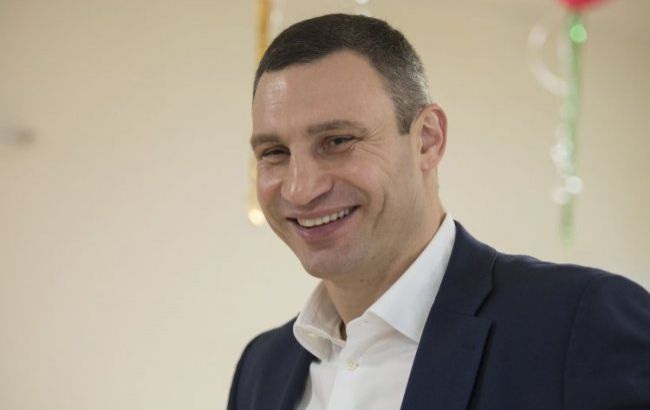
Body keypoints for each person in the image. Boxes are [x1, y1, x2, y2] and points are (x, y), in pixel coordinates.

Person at [228, 13, 650, 410]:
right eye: (274, 152)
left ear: (427, 140)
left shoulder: (581, 324)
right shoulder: (262, 368)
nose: (300, 189)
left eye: (337, 141)